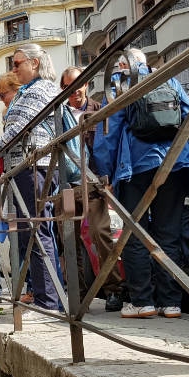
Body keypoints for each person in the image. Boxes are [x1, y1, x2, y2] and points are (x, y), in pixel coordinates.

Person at [97, 48, 189, 319]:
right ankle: (171, 303)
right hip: (175, 164)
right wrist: (176, 143)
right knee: (169, 233)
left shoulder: (119, 84)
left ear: (123, 65)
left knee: (135, 233)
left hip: (135, 167)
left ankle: (143, 302)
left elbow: (108, 134)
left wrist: (105, 175)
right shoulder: (168, 78)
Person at [0, 43, 62, 322]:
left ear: (35, 63)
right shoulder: (31, 90)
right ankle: (44, 298)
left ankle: (48, 303)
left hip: (35, 167)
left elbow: (18, 128)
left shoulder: (39, 89)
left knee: (36, 231)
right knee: (30, 232)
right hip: (26, 167)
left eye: (17, 63)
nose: (14, 68)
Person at [59, 66, 123, 312]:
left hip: (94, 181)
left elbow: (111, 142)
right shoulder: (58, 114)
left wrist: (110, 178)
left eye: (78, 85)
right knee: (69, 240)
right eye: (68, 87)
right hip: (66, 184)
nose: (74, 91)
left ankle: (113, 289)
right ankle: (79, 295)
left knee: (100, 233)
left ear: (86, 84)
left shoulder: (98, 110)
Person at [0, 72, 34, 304]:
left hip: (25, 171)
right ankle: (29, 287)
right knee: (22, 235)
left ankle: (35, 289)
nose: (1, 99)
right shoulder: (8, 111)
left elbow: (12, 139)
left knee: (30, 233)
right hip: (14, 177)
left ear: (16, 90)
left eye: (3, 95)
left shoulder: (20, 109)